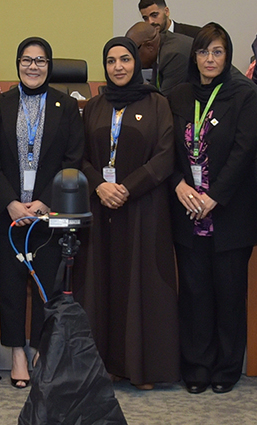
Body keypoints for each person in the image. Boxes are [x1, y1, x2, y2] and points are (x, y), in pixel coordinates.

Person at [167, 23, 257, 393]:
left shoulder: (244, 94)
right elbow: (168, 150)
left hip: (228, 212)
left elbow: (244, 152)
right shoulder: (177, 95)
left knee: (228, 293)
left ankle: (226, 368)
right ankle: (196, 366)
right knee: (193, 292)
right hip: (187, 210)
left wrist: (214, 197)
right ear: (194, 56)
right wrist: (178, 183)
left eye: (218, 52)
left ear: (228, 56)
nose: (210, 59)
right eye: (204, 52)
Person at [77, 36, 180, 388]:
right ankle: (106, 364)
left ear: (137, 63)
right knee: (102, 284)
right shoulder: (93, 105)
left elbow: (166, 156)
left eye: (124, 59)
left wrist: (127, 188)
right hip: (101, 208)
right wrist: (100, 186)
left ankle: (142, 368)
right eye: (110, 61)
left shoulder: (156, 103)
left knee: (142, 284)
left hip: (144, 209)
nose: (118, 67)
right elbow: (80, 156)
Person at [0, 37, 84, 386]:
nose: (33, 66)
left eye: (41, 60)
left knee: (47, 288)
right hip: (8, 215)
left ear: (50, 65)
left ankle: (43, 350)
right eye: (27, 60)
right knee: (10, 289)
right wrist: (10, 202)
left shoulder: (66, 106)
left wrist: (44, 200)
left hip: (48, 215)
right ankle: (16, 354)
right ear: (17, 63)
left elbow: (73, 159)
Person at [137, 0, 195, 92]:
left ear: (166, 12)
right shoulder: (148, 42)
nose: (150, 22)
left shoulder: (193, 35)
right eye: (146, 18)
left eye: (154, 15)